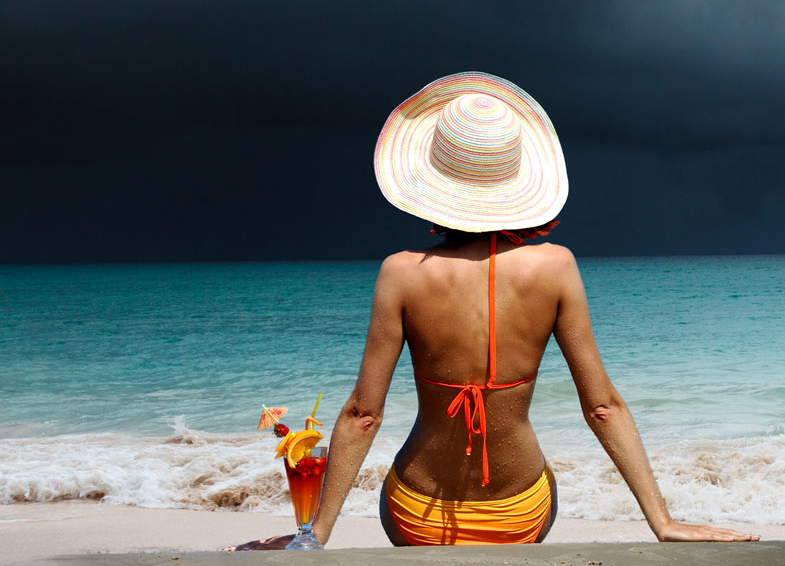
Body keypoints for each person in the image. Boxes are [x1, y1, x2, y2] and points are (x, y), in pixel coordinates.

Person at [229, 72, 757, 549]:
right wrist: (662, 521)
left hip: (417, 510)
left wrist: (313, 536)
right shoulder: (556, 268)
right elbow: (603, 408)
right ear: (516, 180)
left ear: (431, 181)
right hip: (520, 510)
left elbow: (362, 416)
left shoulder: (401, 273)